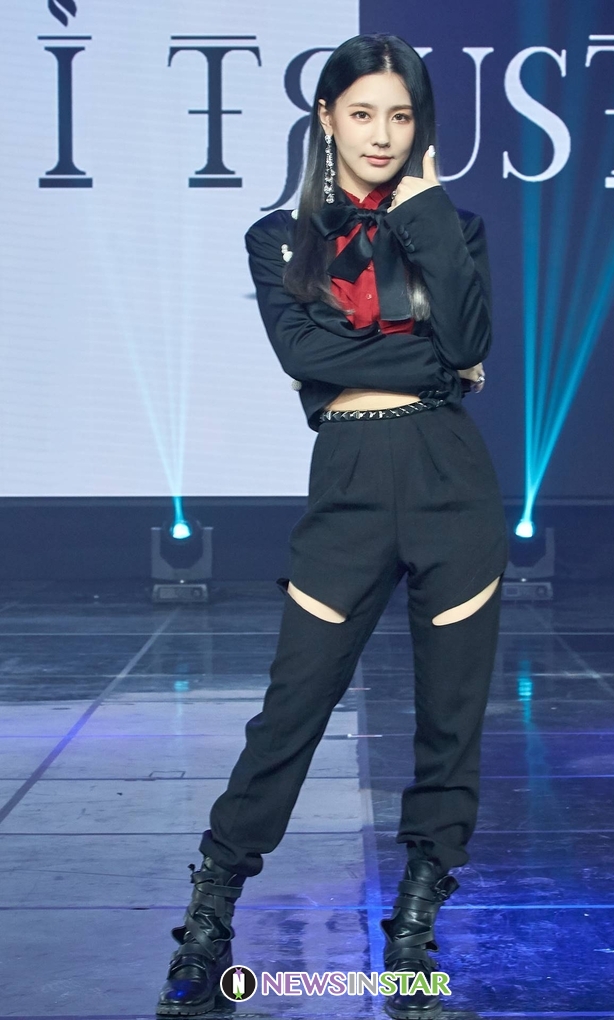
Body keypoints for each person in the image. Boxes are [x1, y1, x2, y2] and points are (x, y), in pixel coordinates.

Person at [155, 32, 508, 1020]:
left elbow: (471, 336)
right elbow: (307, 355)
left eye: (400, 115)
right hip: (348, 489)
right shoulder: (277, 239)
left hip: (451, 485)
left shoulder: (454, 226)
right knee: (291, 712)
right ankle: (209, 918)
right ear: (325, 119)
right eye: (362, 114)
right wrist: (438, 363)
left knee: (449, 724)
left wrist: (424, 220)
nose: (381, 134)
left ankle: (413, 933)